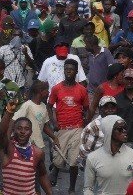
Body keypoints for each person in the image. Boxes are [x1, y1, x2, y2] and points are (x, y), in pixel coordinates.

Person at [47, 59, 89, 191]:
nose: (68, 71)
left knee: (73, 162)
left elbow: (87, 108)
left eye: (71, 69)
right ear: (64, 70)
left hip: (77, 128)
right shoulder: (57, 88)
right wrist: (54, 122)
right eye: (66, 69)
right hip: (61, 128)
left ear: (76, 71)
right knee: (58, 160)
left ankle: (71, 189)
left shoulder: (82, 89)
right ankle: (55, 169)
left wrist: (84, 124)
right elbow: (49, 106)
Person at [0, 99, 52, 195]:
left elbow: (43, 174)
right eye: (19, 128)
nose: (23, 132)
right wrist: (9, 112)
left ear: (31, 133)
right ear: (14, 130)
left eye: (26, 129)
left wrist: (49, 193)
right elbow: (1, 134)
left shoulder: (37, 152)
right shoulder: (9, 148)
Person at [83, 115, 133, 195]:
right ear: (109, 131)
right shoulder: (93, 158)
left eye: (125, 128)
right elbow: (88, 188)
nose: (124, 131)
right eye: (120, 129)